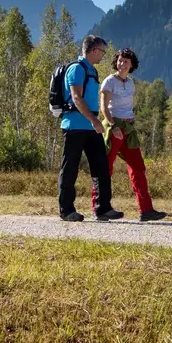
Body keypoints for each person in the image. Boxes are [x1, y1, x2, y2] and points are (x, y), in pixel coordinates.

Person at [93, 47, 166, 222]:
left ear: (132, 64)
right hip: (113, 127)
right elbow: (103, 106)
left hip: (129, 128)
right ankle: (99, 208)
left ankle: (146, 210)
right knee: (105, 168)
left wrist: (130, 125)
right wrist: (113, 125)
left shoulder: (131, 83)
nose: (122, 64)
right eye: (119, 60)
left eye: (126, 61)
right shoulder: (109, 81)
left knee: (138, 167)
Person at [59, 35, 124, 222]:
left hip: (89, 126)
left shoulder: (92, 71)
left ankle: (103, 208)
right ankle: (67, 210)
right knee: (70, 167)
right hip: (75, 126)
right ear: (94, 50)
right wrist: (94, 121)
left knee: (101, 166)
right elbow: (76, 98)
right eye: (102, 51)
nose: (103, 55)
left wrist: (94, 122)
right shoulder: (77, 69)